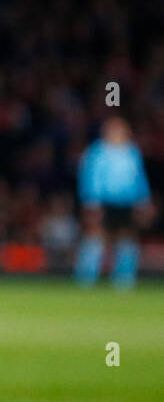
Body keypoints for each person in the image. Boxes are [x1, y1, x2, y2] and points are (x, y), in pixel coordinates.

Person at [75, 116, 153, 288]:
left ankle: (124, 280)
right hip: (103, 202)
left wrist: (144, 200)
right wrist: (91, 202)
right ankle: (86, 279)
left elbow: (139, 178)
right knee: (96, 237)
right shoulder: (97, 152)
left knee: (126, 239)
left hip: (126, 203)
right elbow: (90, 177)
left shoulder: (132, 152)